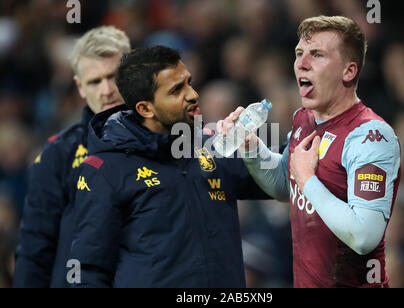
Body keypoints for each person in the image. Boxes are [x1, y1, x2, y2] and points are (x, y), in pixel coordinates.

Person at [219, 16, 401, 288]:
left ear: (349, 71)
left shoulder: (370, 136)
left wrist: (307, 179)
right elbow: (285, 187)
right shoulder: (303, 118)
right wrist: (252, 149)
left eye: (317, 55)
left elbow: (365, 236)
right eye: (299, 54)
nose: (302, 64)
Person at [68, 46, 269, 288]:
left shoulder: (215, 148)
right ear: (145, 108)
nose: (193, 94)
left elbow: (285, 175)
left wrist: (257, 146)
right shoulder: (106, 169)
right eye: (177, 90)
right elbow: (87, 271)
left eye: (189, 82)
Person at [14, 26, 131, 288]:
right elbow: (35, 248)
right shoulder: (58, 154)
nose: (107, 90)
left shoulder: (164, 143)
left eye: (114, 76)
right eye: (94, 81)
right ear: (79, 87)